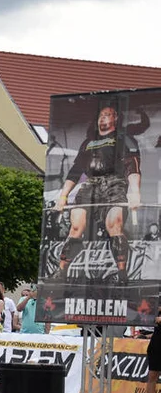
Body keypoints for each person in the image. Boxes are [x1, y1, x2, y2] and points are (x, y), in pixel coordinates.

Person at [53, 103, 141, 284]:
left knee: (114, 225)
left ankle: (122, 274)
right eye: (101, 115)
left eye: (108, 114)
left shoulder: (124, 139)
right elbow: (75, 171)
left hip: (115, 183)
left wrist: (134, 191)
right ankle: (61, 271)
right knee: (76, 226)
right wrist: (63, 196)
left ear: (115, 118)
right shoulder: (88, 143)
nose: (103, 117)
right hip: (90, 185)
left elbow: (132, 166)